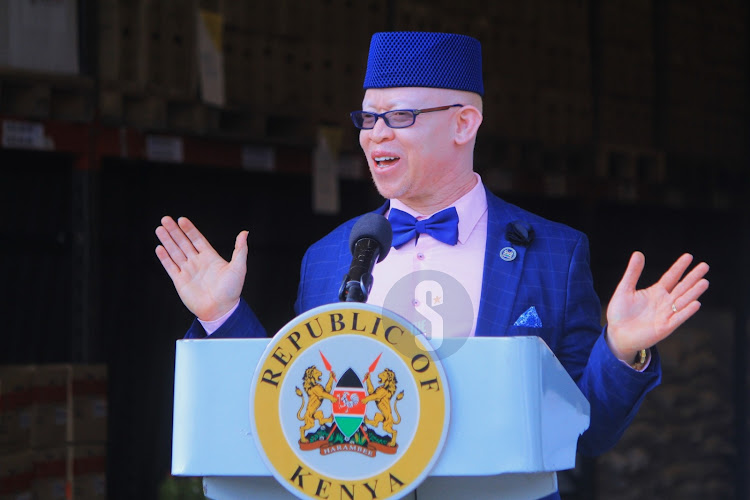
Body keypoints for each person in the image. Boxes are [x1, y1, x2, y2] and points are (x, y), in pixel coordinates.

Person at [155, 32, 709, 498]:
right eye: (368, 119)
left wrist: (619, 351)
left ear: (464, 123)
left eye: (399, 116)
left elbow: (585, 431)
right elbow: (294, 407)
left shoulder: (554, 254)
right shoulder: (330, 257)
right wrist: (223, 316)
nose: (375, 135)